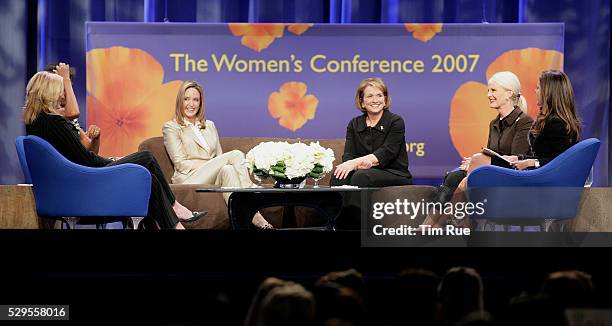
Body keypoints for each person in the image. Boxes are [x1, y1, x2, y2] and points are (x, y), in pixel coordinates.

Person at [23, 71, 205, 230]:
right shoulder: (55, 122)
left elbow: (76, 157)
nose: (63, 96)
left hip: (76, 181)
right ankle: (175, 208)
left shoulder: (37, 123)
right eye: (60, 91)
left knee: (149, 179)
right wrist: (114, 162)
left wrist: (117, 161)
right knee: (147, 158)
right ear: (50, 93)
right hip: (87, 182)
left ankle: (172, 225)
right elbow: (86, 160)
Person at [429, 70, 581, 228]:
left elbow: (560, 162)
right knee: (459, 175)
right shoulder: (549, 121)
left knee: (471, 172)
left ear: (549, 92)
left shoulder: (554, 123)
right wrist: (520, 159)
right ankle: (448, 224)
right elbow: (542, 156)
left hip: (536, 181)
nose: (535, 91)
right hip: (527, 172)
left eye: (538, 88)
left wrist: (528, 162)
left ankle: (448, 224)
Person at [424, 71, 533, 226]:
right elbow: (490, 152)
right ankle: (433, 226)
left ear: (509, 94)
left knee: (462, 178)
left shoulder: (524, 122)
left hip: (509, 176)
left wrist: (478, 162)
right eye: (488, 90)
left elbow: (517, 158)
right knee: (453, 176)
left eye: (493, 90)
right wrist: (474, 162)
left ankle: (436, 226)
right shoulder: (494, 123)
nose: (489, 94)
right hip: (492, 170)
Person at [162, 80, 273, 229]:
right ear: (180, 100)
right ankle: (252, 191)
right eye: (186, 99)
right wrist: (212, 163)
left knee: (228, 169)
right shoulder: (172, 127)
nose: (191, 104)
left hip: (214, 175)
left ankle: (250, 221)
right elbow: (181, 163)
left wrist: (216, 163)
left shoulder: (209, 125)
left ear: (201, 103)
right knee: (235, 155)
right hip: (189, 177)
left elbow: (220, 157)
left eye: (196, 100)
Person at [331, 77, 412, 187]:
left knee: (362, 176)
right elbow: (349, 154)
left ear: (385, 100)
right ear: (362, 101)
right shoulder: (354, 123)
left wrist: (355, 163)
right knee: (339, 176)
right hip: (362, 170)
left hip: (393, 172)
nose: (375, 100)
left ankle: (357, 205)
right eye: (370, 96)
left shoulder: (395, 121)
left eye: (379, 95)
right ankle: (340, 205)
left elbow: (387, 153)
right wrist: (355, 165)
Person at [43, 62, 101, 154]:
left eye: (69, 86)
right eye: (65, 86)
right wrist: (65, 79)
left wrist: (96, 138)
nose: (68, 92)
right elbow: (73, 113)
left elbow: (90, 152)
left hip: (87, 165)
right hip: (69, 167)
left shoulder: (67, 114)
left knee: (131, 161)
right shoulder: (50, 113)